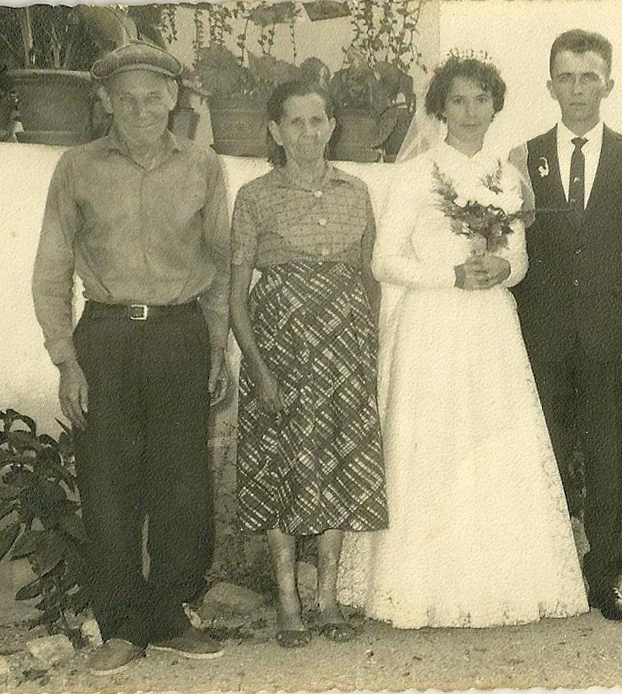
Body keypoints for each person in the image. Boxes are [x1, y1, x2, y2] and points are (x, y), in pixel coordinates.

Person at [338, 53, 589, 629]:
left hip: (490, 327)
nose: (471, 110)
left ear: (496, 105)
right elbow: (384, 260)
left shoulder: (509, 177)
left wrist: (502, 270)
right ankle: (419, 586)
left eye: (481, 99)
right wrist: (448, 275)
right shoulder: (414, 175)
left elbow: (521, 259)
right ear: (440, 109)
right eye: (458, 100)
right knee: (432, 444)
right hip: (433, 324)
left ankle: (498, 580)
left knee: (492, 444)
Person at [32, 42, 228, 674]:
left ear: (175, 99)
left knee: (182, 483)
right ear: (106, 103)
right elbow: (52, 267)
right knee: (108, 483)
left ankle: (172, 615)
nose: (142, 109)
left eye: (154, 96)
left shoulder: (203, 166)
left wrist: (218, 347)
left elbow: (221, 268)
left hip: (180, 335)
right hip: (107, 339)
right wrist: (66, 358)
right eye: (127, 98)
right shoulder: (77, 167)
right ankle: (120, 624)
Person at [230, 80, 387, 648]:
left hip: (343, 353)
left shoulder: (357, 191)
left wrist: (368, 352)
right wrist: (259, 367)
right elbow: (235, 294)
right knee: (280, 471)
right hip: (281, 351)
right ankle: (288, 602)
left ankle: (327, 601)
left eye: (317, 120)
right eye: (293, 123)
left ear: (332, 126)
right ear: (275, 132)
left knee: (339, 466)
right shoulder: (254, 196)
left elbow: (369, 279)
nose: (307, 133)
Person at [514, 30, 622, 621]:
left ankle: (604, 579)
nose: (577, 89)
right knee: (543, 457)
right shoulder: (525, 157)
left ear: (608, 83)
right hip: (541, 340)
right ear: (550, 85)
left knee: (610, 462)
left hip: (611, 342)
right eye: (566, 77)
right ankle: (545, 573)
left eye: (589, 77)